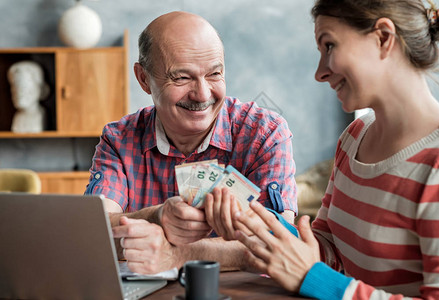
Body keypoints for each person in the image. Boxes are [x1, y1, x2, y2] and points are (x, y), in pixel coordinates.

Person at [230, 0, 439, 299]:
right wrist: (255, 224)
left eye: (329, 46)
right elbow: (328, 249)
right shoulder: (355, 137)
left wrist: (317, 281)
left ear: (383, 38)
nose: (320, 73)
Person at [84, 11, 298, 274]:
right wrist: (156, 217)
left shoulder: (265, 133)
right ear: (143, 79)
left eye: (214, 74)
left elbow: (282, 243)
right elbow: (92, 232)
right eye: (182, 77)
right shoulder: (119, 139)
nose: (203, 94)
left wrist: (177, 254)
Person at [7, 60, 49, 133]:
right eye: (14, 87)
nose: (18, 93)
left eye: (24, 87)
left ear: (40, 89)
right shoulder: (17, 118)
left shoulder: (41, 116)